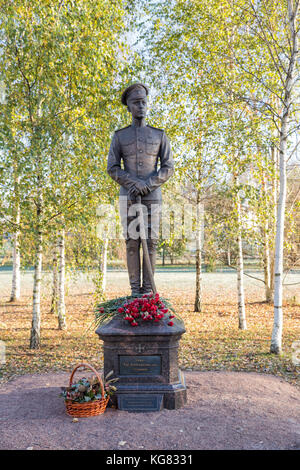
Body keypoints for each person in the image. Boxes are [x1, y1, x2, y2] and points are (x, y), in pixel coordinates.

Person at [107, 83, 174, 296]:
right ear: (128, 106)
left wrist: (148, 184)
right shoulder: (120, 136)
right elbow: (112, 167)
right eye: (136, 103)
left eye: (144, 102)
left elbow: (168, 167)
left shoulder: (159, 135)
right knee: (131, 242)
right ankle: (135, 291)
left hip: (152, 197)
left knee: (151, 242)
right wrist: (131, 182)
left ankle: (148, 291)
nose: (141, 106)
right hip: (128, 197)